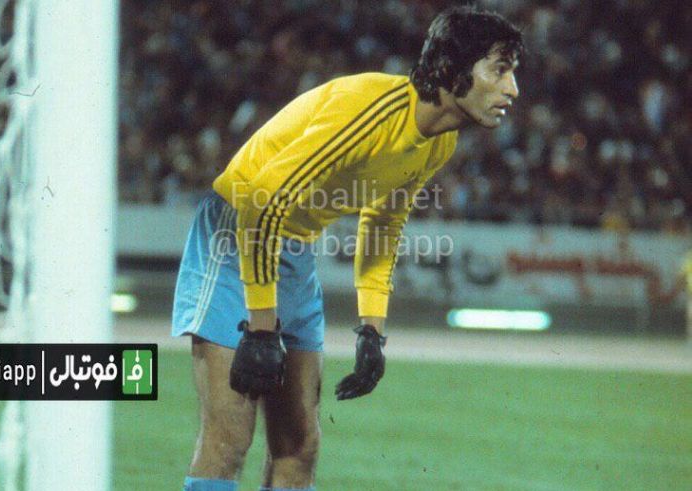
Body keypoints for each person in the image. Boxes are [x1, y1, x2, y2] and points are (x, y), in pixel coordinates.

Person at [172, 6, 524, 490]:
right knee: (229, 439)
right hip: (237, 234)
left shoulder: (439, 142)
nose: (512, 89)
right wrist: (261, 328)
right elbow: (260, 202)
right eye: (499, 70)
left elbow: (383, 224)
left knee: (298, 448)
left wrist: (371, 331)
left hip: (293, 249)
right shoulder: (370, 110)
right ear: (451, 68)